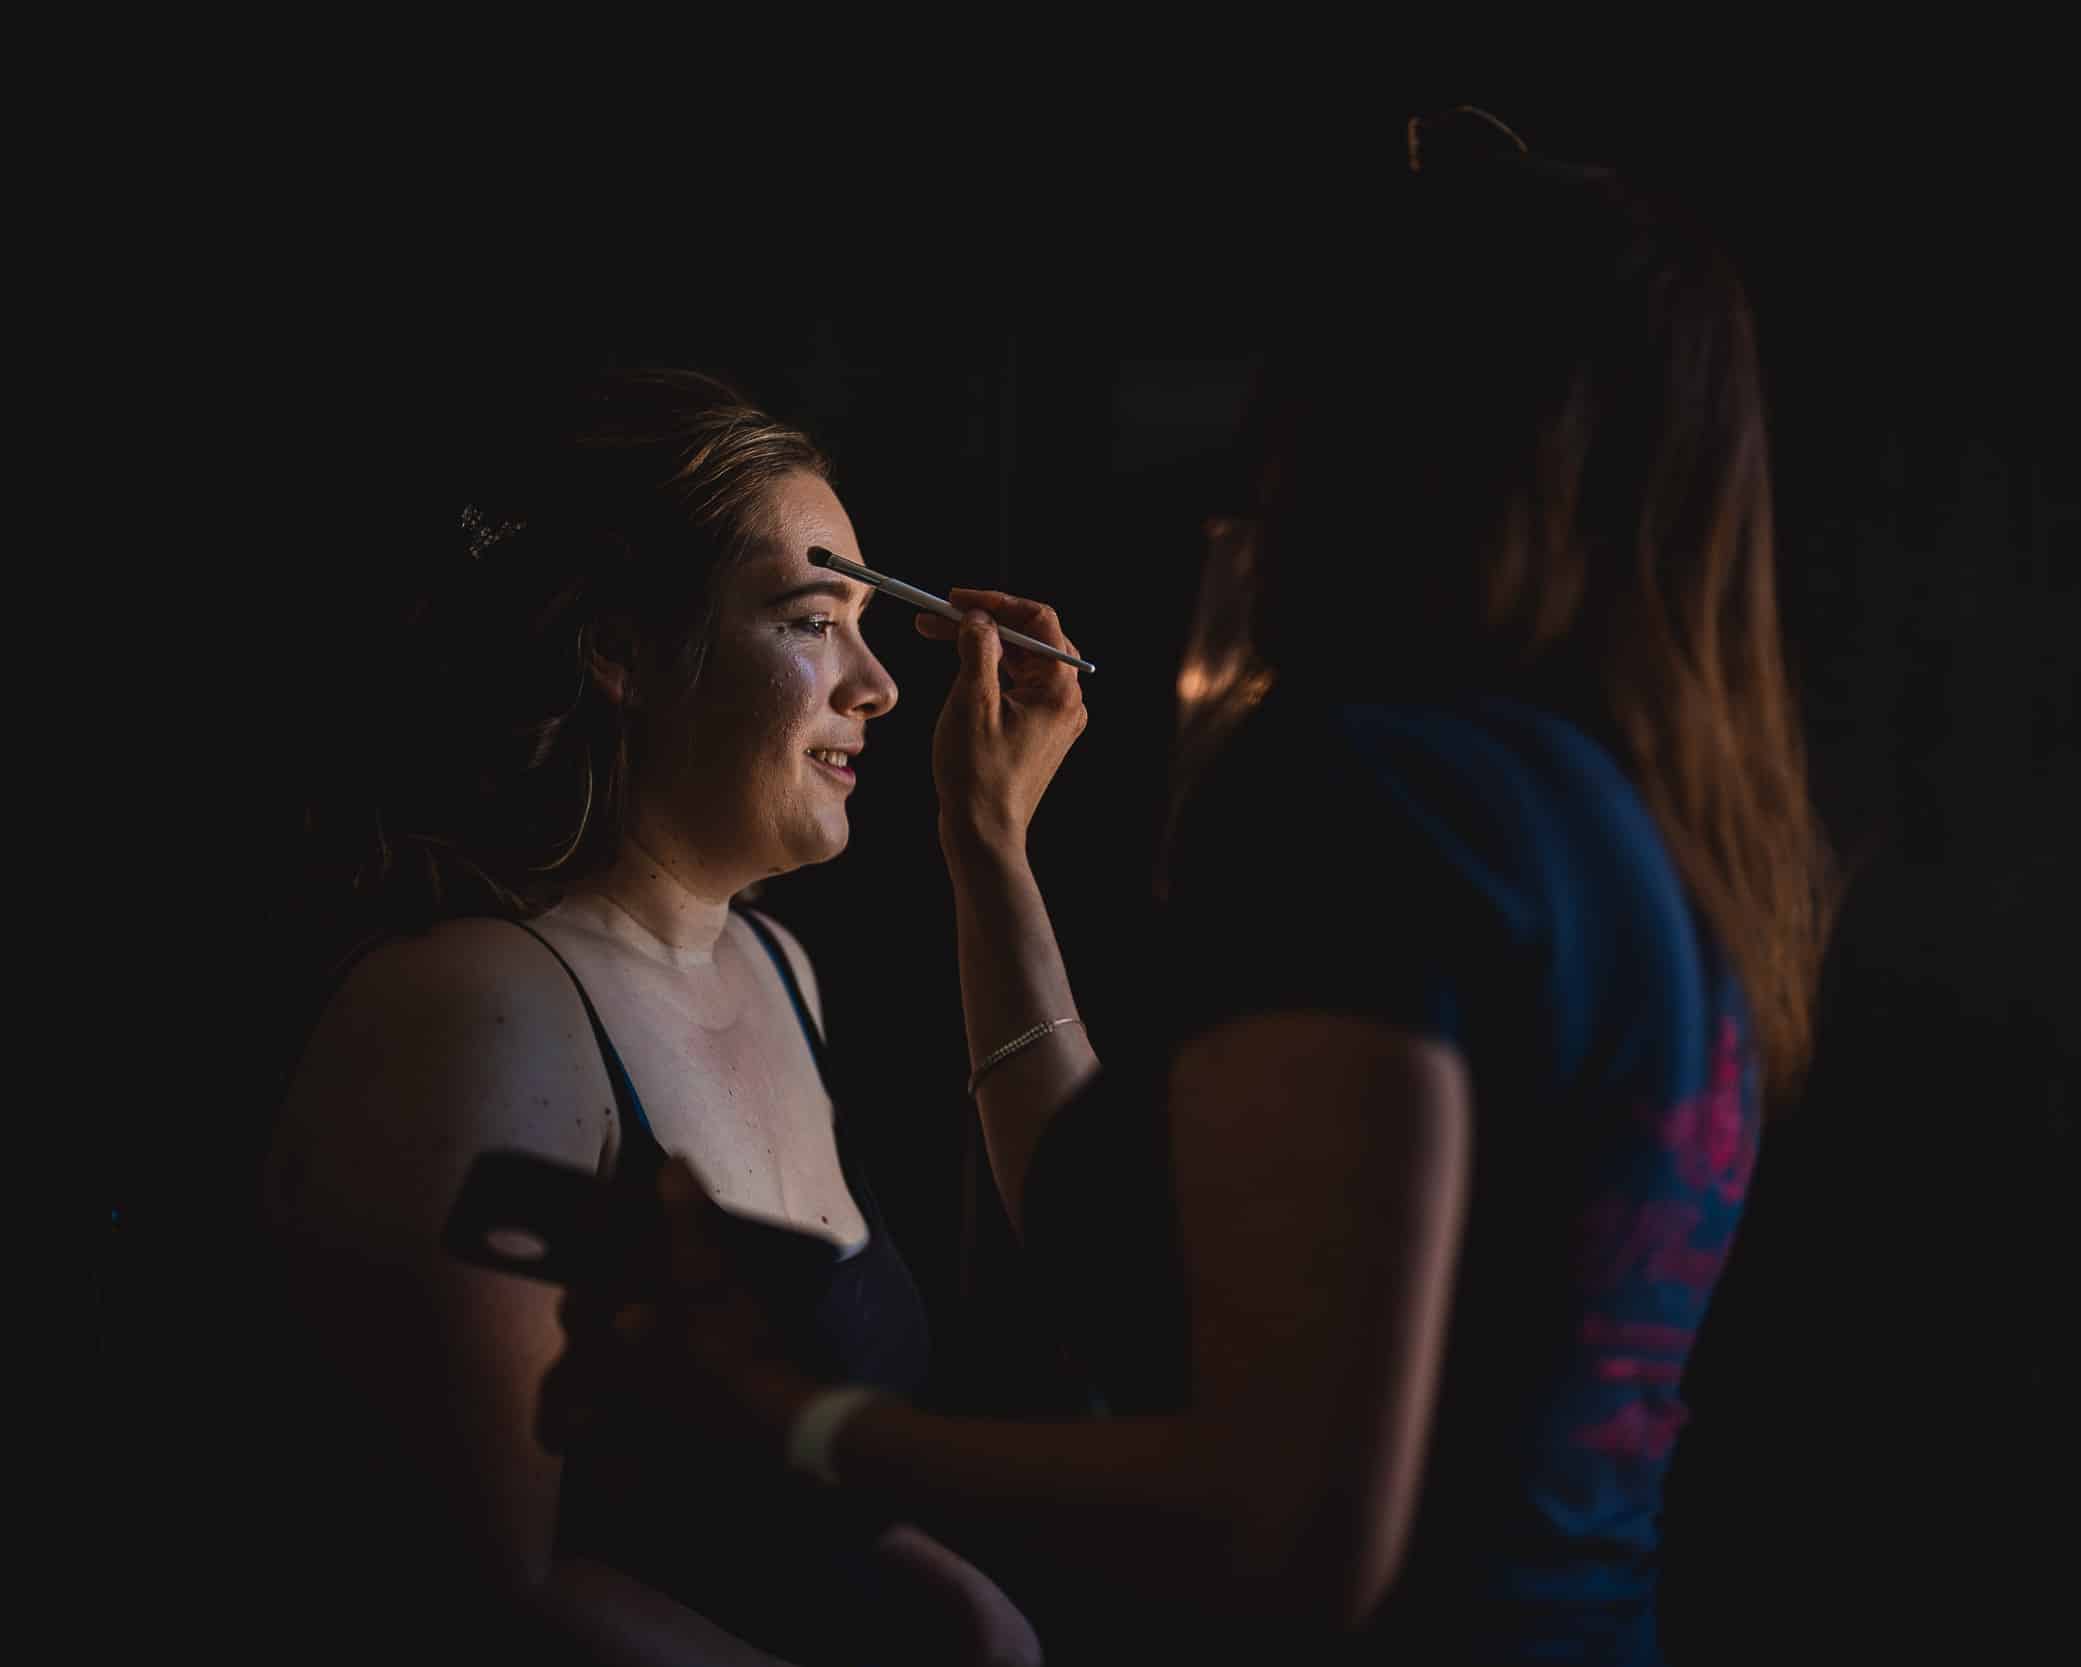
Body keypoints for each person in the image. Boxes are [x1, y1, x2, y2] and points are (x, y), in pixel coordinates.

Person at [540, 108, 1841, 1664]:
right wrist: (990, 850)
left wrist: (797, 1423)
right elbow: (1141, 1277)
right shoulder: (1644, 840)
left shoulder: (1385, 796)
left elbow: (1287, 1527)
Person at [259, 367, 1060, 1665]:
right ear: (621, 650)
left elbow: (783, 1481)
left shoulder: (782, 972)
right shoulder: (482, 1009)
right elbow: (496, 1584)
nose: (879, 686)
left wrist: (968, 1609)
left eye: (870, 623)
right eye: (814, 620)